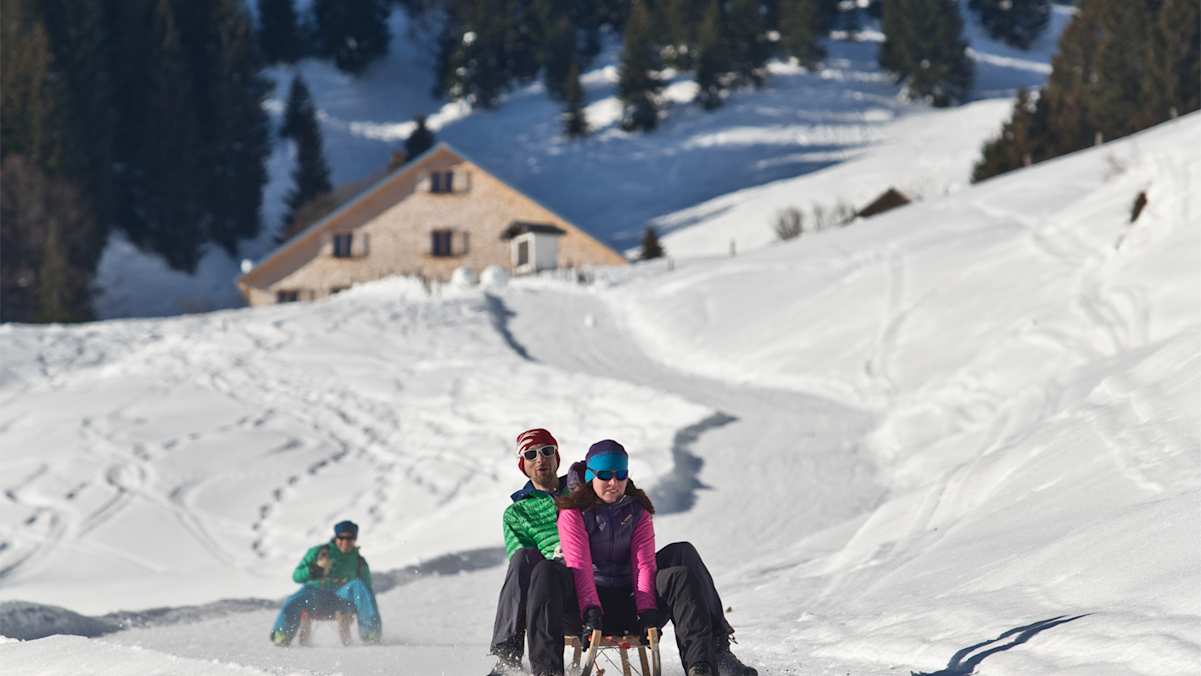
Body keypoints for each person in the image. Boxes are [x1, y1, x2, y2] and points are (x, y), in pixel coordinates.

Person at [524, 440, 757, 676]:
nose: (613, 483)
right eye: (604, 475)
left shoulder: (637, 509)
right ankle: (547, 672)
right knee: (546, 571)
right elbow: (580, 566)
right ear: (590, 476)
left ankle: (704, 664)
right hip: (585, 609)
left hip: (629, 602)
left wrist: (647, 612)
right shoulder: (573, 512)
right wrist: (591, 613)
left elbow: (643, 564)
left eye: (621, 474)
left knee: (681, 566)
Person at [488, 428, 570, 674]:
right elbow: (521, 572)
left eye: (547, 451)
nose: (540, 459)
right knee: (524, 558)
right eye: (531, 454)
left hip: (591, 576)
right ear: (523, 464)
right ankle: (508, 656)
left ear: (557, 457)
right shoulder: (518, 513)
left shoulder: (580, 491)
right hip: (550, 586)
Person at [270, 520, 382, 646]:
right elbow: (296, 576)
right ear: (336, 537)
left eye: (349, 538)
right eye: (342, 537)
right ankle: (282, 635)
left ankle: (370, 633)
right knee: (295, 598)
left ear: (354, 539)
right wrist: (312, 571)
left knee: (359, 586)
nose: (345, 542)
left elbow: (366, 592)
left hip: (342, 599)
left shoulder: (359, 561)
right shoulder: (318, 552)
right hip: (316, 595)